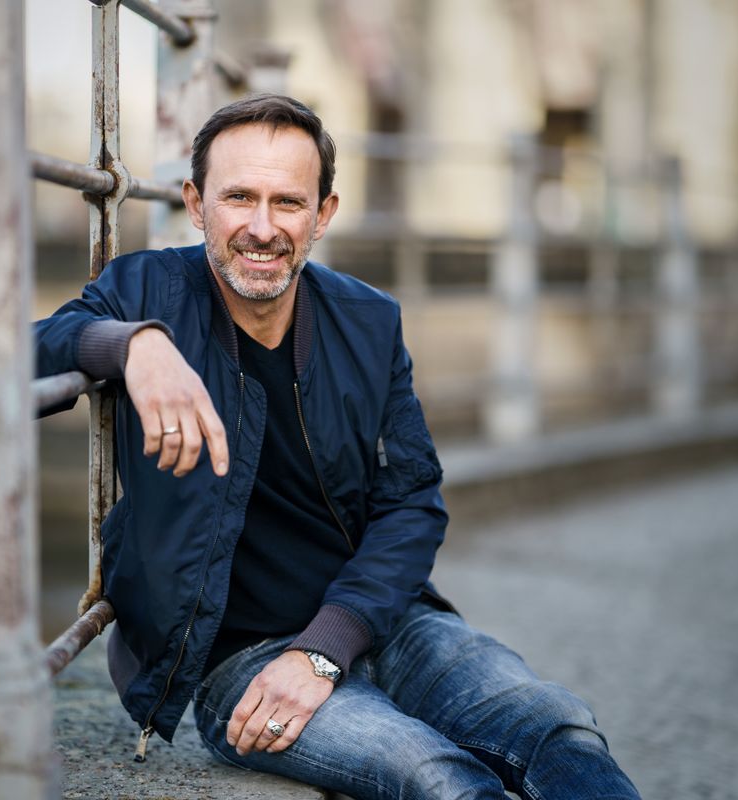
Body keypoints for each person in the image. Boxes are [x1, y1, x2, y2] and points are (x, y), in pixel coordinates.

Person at [34, 94, 640, 800]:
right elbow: (19, 351)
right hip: (239, 663)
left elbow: (412, 504)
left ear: (322, 214)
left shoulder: (369, 322)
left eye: (288, 203)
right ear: (197, 204)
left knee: (556, 726)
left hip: (383, 624)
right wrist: (134, 345)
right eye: (239, 198)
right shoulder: (148, 291)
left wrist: (326, 649)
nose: (262, 228)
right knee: (434, 775)